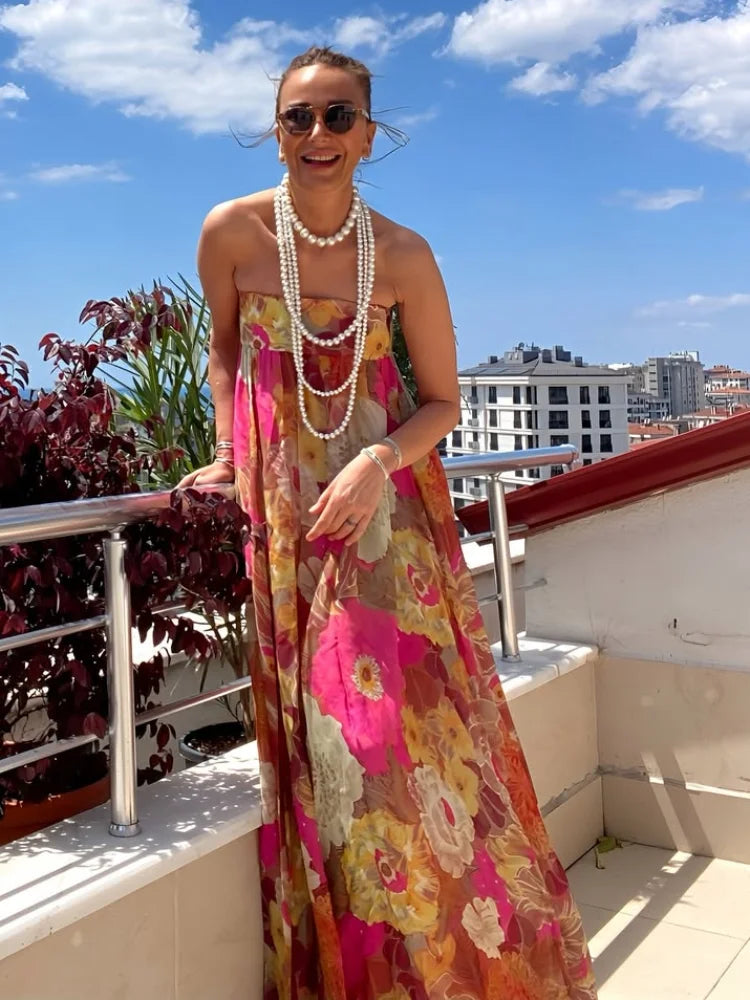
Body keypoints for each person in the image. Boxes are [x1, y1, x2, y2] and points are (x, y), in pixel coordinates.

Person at [178, 46, 597, 1000]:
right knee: (328, 757)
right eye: (299, 118)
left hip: (382, 523)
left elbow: (442, 403)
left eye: (337, 118)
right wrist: (231, 456)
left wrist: (373, 462)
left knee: (389, 747)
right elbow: (222, 349)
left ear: (371, 134)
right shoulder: (232, 233)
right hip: (281, 518)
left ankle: (443, 963)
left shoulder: (403, 254)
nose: (317, 136)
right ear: (274, 130)